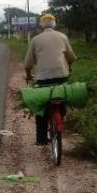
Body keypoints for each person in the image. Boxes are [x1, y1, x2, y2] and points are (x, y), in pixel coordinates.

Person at [24, 14, 77, 145]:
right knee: (61, 98)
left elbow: (27, 64)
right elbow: (71, 57)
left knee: (41, 107)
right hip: (62, 77)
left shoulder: (35, 40)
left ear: (42, 25)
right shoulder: (63, 37)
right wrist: (69, 67)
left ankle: (41, 139)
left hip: (43, 80)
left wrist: (28, 75)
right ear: (54, 24)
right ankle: (61, 114)